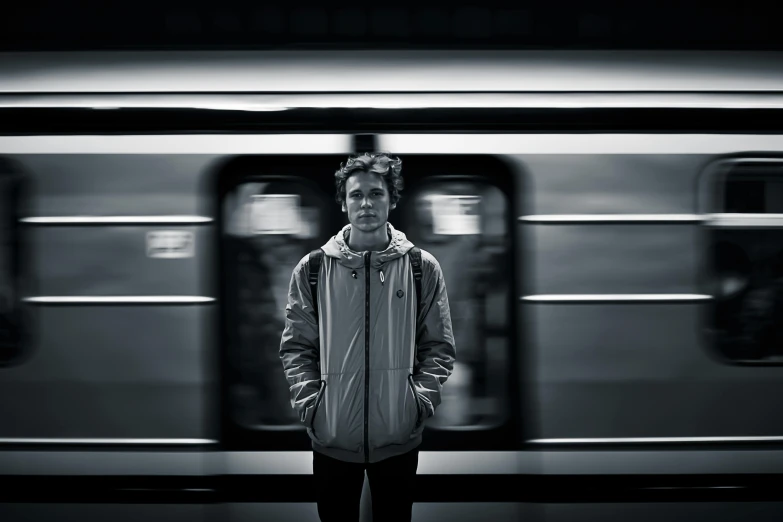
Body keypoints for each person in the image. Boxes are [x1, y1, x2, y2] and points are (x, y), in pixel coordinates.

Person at [279, 152, 456, 522]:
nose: (366, 204)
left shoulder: (421, 268)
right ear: (344, 204)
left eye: (376, 194)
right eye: (356, 195)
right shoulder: (312, 269)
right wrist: (313, 408)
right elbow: (297, 348)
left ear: (392, 200)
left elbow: (438, 347)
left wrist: (416, 405)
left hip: (398, 437)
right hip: (331, 437)